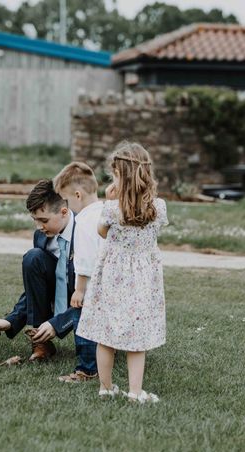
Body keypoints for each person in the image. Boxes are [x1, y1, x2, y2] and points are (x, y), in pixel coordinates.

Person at [77, 141, 168, 404]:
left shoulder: (111, 209)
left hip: (113, 275)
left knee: (106, 333)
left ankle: (106, 388)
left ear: (120, 177)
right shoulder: (158, 208)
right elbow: (153, 231)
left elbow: (102, 232)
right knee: (136, 337)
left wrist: (112, 200)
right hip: (143, 277)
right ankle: (135, 392)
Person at [0, 180, 77, 361]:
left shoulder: (86, 230)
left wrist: (58, 324)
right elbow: (35, 287)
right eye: (35, 220)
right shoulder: (41, 235)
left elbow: (95, 293)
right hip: (61, 288)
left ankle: (103, 341)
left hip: (87, 296)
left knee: (89, 349)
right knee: (33, 258)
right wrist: (10, 321)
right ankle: (41, 342)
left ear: (63, 212)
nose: (38, 227)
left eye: (43, 220)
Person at [52, 162, 104, 383]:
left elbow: (84, 259)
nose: (68, 207)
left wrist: (79, 290)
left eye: (67, 200)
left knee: (83, 325)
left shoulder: (83, 221)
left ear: (78, 194)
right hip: (108, 281)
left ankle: (86, 369)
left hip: (90, 284)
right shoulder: (106, 212)